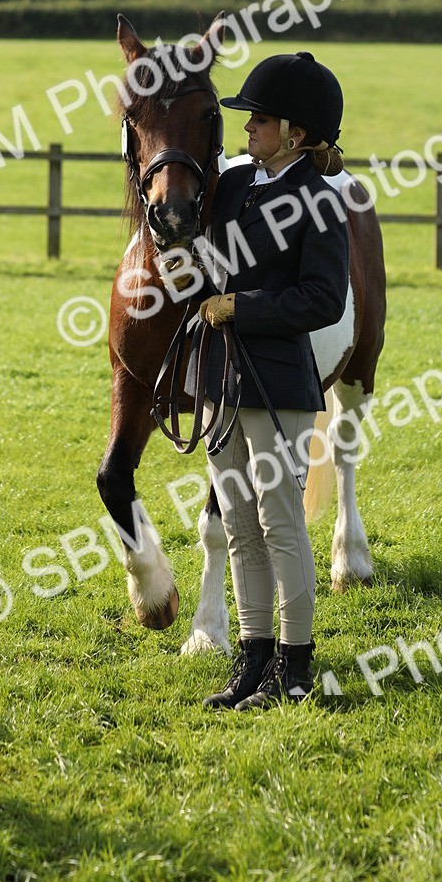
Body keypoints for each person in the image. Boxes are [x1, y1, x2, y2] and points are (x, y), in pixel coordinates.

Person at [189, 50, 349, 711]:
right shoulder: (233, 185)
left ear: (296, 132)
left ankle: (297, 668)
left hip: (277, 384)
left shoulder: (320, 202)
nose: (247, 127)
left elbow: (324, 300)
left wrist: (244, 307)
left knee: (279, 522)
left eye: (261, 118)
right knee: (239, 525)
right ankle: (253, 660)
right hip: (220, 380)